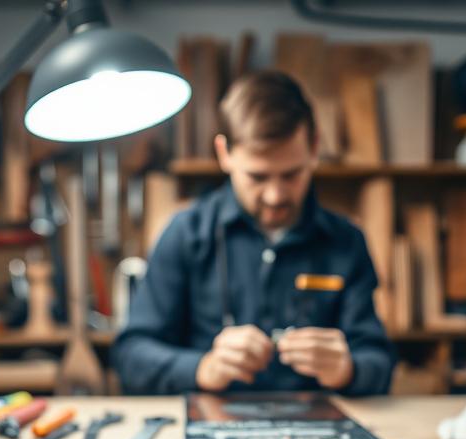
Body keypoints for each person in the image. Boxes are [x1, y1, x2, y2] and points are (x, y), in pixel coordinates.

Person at [112, 70, 394, 395]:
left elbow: (380, 361)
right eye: (257, 177)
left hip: (317, 431)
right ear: (224, 154)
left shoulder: (346, 241)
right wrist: (204, 368)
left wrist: (347, 369)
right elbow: (131, 357)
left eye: (291, 175)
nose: (275, 196)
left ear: (314, 148)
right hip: (211, 423)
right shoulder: (186, 234)